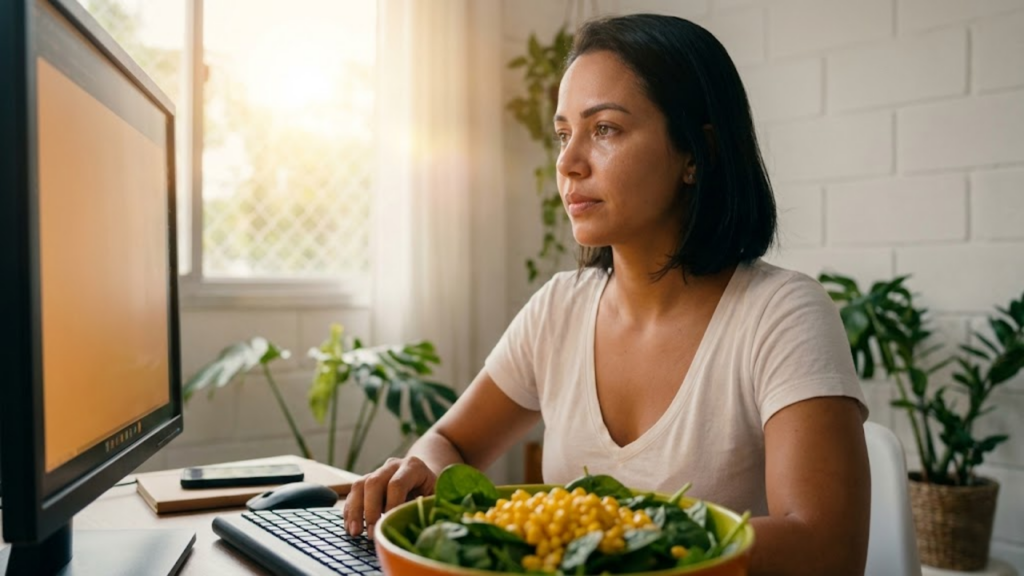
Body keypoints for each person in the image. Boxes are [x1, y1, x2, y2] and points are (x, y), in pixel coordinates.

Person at [345, 13, 870, 575]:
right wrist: (419, 472)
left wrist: (596, 540)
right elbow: (449, 441)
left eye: (605, 129)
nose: (568, 163)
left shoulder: (782, 315)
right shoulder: (559, 309)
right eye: (564, 134)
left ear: (696, 153)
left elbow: (828, 550)